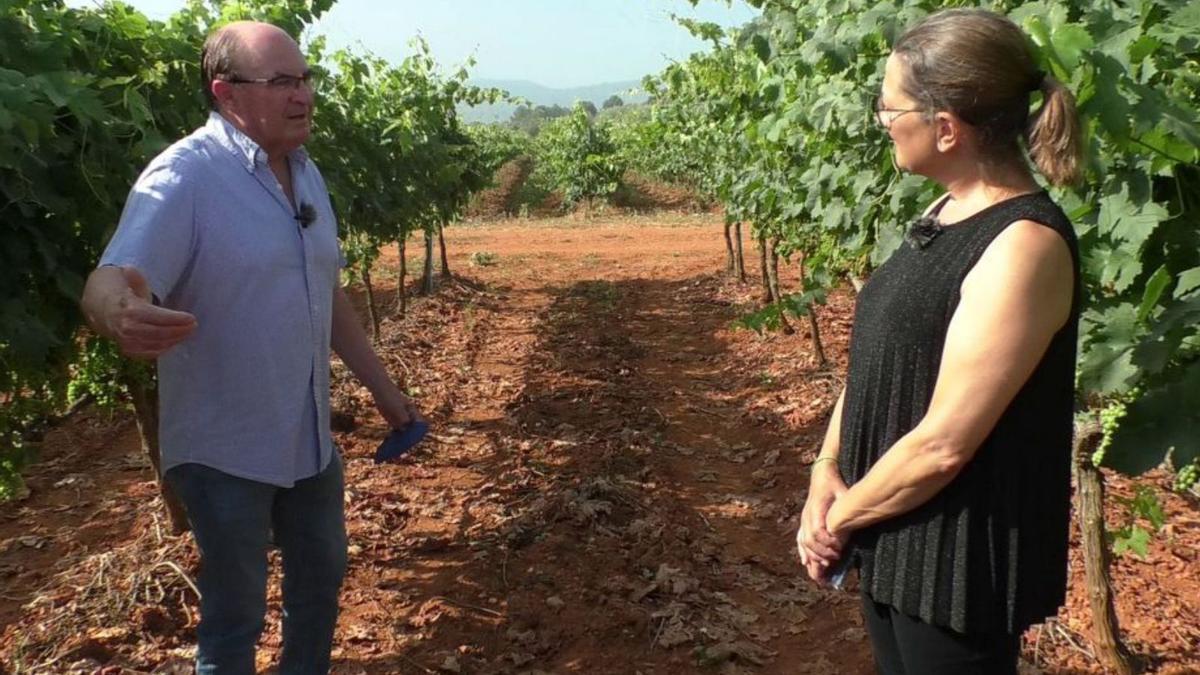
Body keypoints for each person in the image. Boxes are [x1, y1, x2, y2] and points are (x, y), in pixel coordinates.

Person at [80, 21, 420, 674]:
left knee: (320, 585)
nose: (304, 95)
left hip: (307, 437)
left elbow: (329, 296)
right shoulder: (185, 177)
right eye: (282, 82)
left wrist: (388, 396)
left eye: (305, 78)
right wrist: (115, 310)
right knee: (235, 618)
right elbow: (110, 275)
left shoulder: (306, 173)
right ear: (226, 92)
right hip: (223, 449)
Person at [795, 8, 1083, 675]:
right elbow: (878, 358)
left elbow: (944, 443)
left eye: (889, 108)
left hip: (958, 568)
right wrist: (824, 469)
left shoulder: (1024, 246)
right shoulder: (941, 214)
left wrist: (839, 518)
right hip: (895, 543)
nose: (882, 122)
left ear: (946, 127)